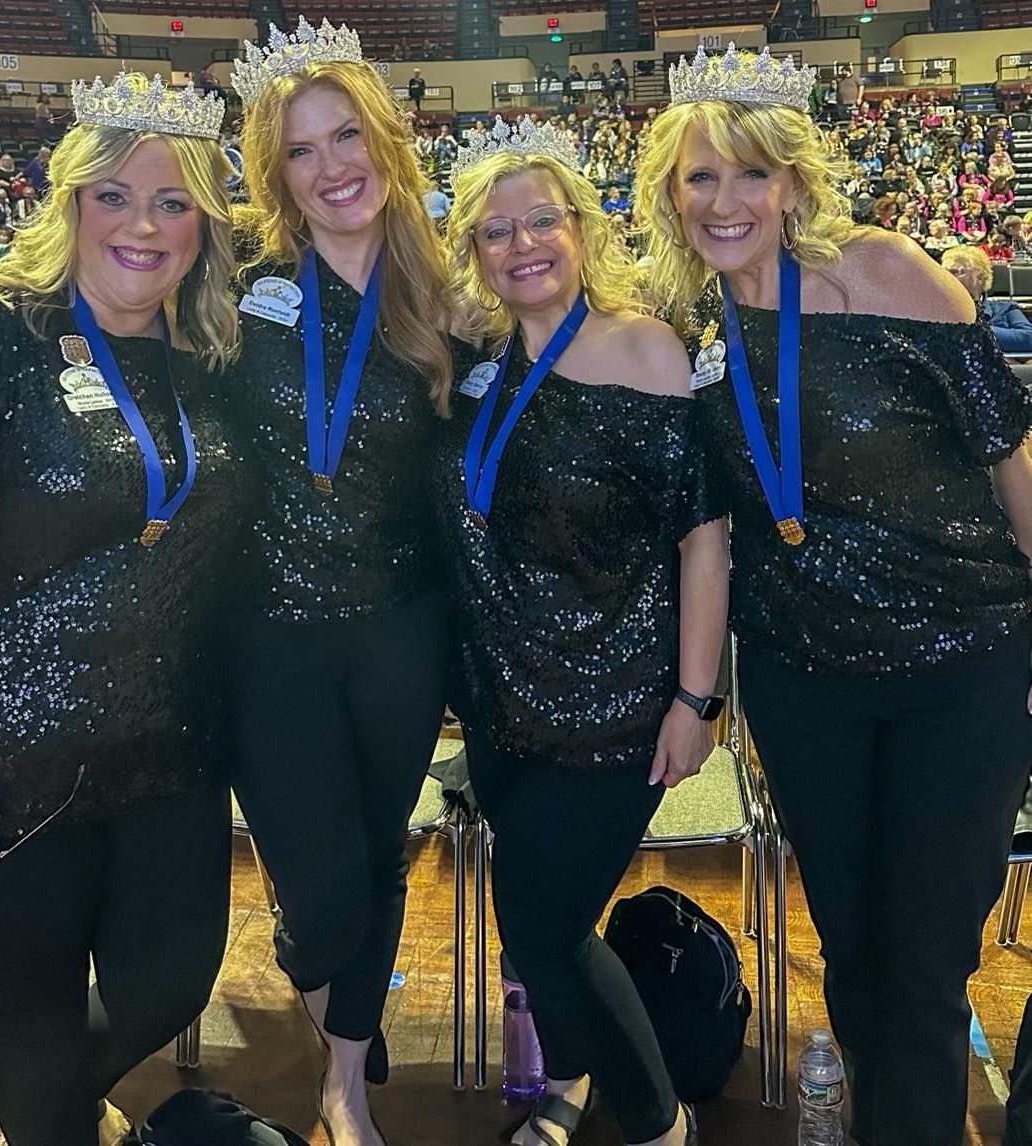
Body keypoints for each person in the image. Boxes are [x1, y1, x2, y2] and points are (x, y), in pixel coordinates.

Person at [637, 43, 1032, 1146]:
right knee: (852, 949)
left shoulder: (889, 272)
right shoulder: (686, 326)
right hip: (808, 682)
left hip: (962, 663)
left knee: (923, 957)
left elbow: (1010, 457)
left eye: (750, 173)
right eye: (700, 177)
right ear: (669, 193)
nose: (726, 201)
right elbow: (706, 540)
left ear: (795, 179)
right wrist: (698, 697)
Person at [0, 72, 242, 1146]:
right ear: (71, 200)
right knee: (37, 1024)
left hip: (160, 752)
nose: (144, 224)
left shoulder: (209, 351)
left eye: (174, 202)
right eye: (116, 195)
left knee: (171, 981)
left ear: (204, 226)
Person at [439, 115, 724, 1146]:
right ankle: (569, 1081)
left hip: (610, 704)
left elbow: (701, 539)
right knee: (544, 925)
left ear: (581, 227)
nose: (522, 246)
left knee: (545, 926)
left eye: (540, 222)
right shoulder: (475, 359)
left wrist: (695, 700)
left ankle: (652, 1118)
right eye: (495, 231)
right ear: (471, 251)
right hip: (498, 698)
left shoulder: (643, 345)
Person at [230, 19, 451, 1146]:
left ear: (385, 138)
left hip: (401, 633)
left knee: (375, 857)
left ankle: (343, 1082)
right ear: (276, 177)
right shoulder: (239, 288)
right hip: (268, 639)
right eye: (302, 150)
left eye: (345, 134)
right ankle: (322, 990)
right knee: (321, 887)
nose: (332, 165)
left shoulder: (445, 295)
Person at [943, 244, 1032, 356]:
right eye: (944, 273)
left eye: (955, 272)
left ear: (980, 277)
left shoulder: (1005, 308)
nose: (946, 278)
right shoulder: (935, 311)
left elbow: (1028, 338)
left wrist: (976, 330)